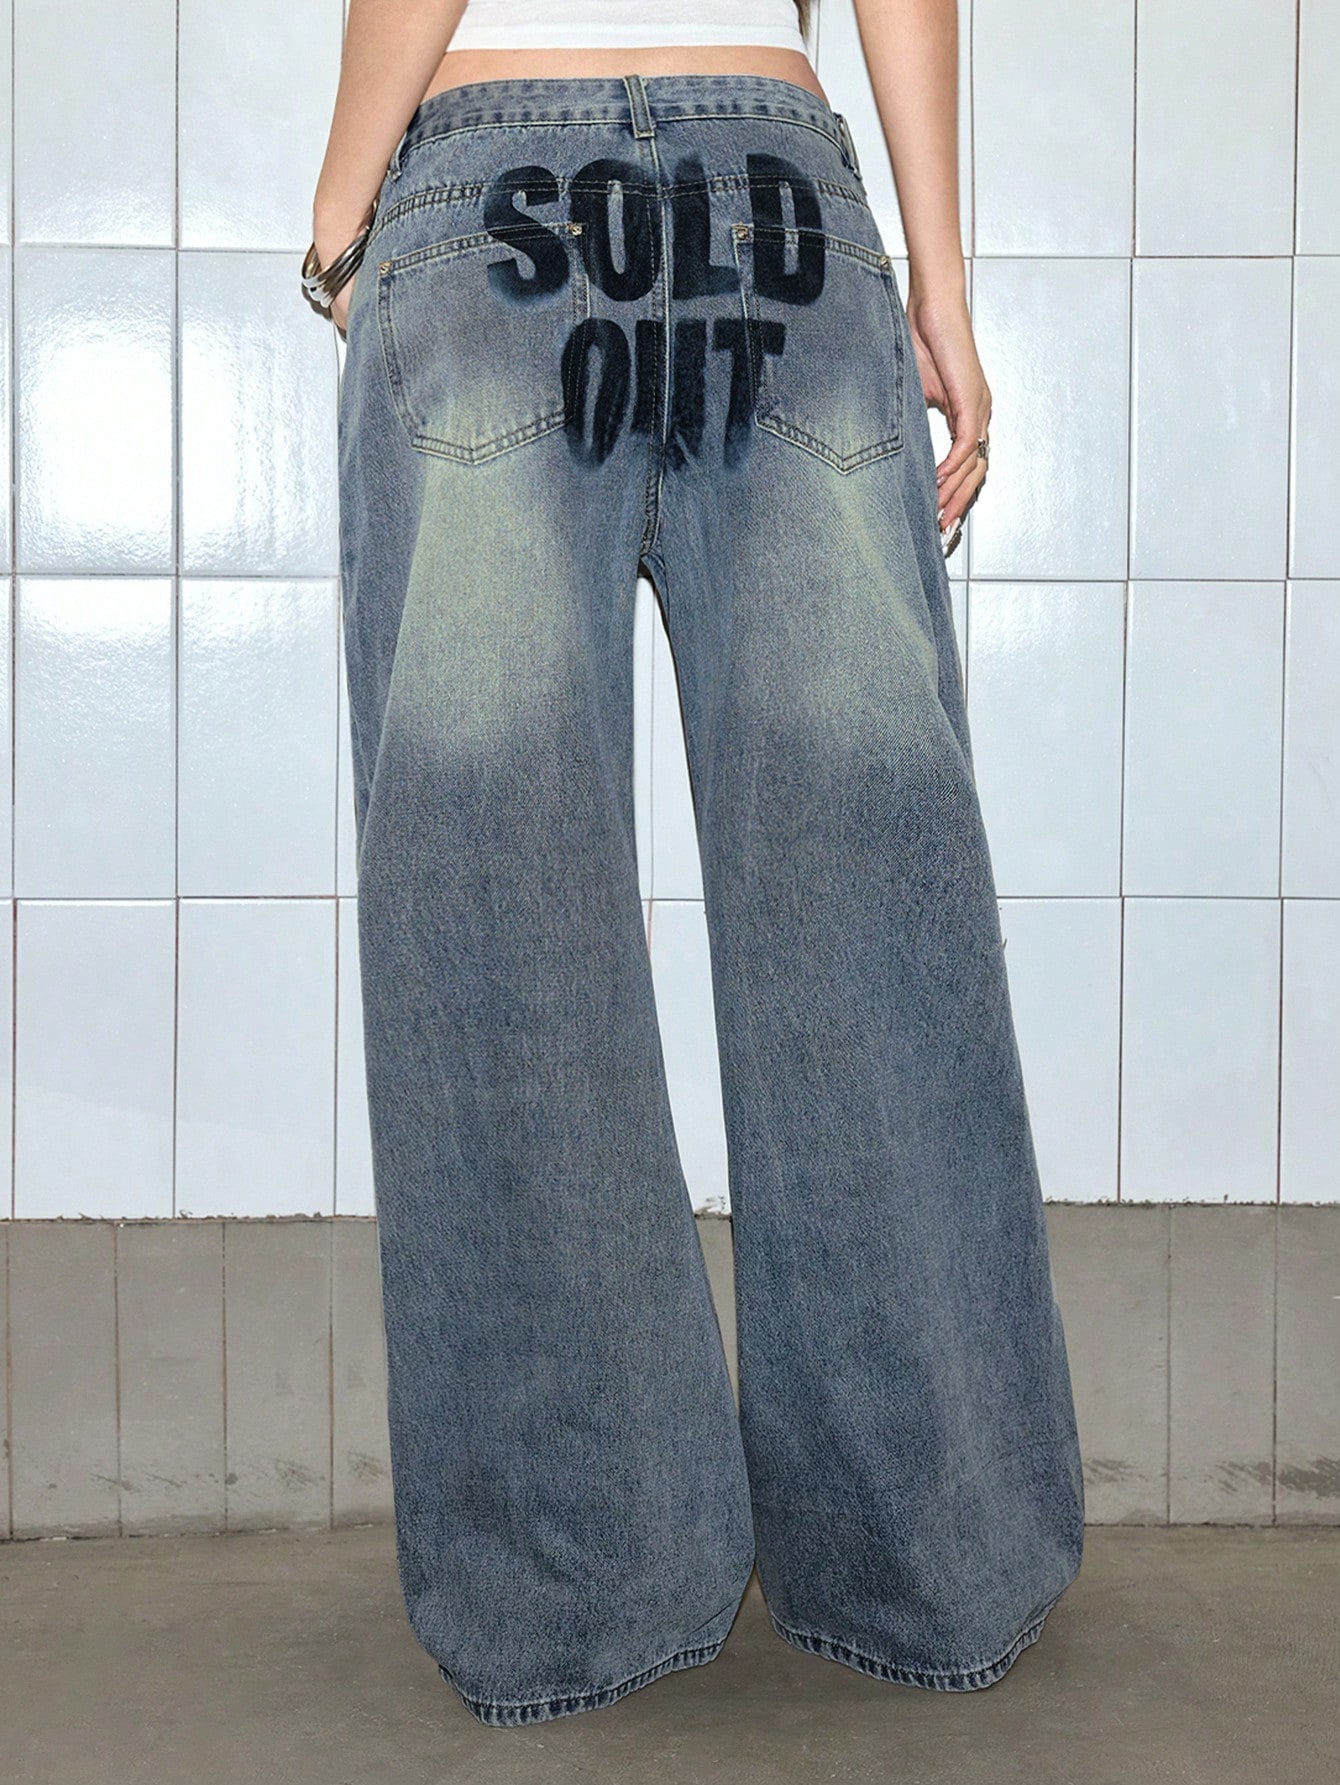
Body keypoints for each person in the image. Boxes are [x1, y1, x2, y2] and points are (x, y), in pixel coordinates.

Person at [306, 0, 1085, 1731]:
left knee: (501, 902)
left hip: (488, 188)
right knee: (867, 900)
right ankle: (932, 1553)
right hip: (780, 196)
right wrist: (939, 282)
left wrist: (342, 221)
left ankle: (579, 1577)